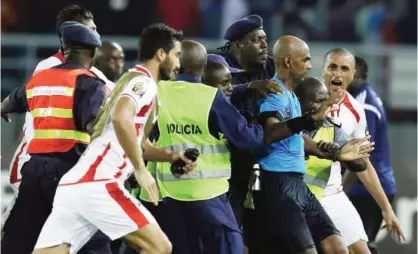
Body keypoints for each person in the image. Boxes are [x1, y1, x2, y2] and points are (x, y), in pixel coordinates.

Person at [32, 23, 186, 254]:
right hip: (99, 184)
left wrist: (171, 156)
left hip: (76, 185)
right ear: (161, 55)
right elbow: (121, 118)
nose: (179, 63)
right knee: (159, 247)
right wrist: (140, 170)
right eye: (176, 55)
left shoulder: (129, 81)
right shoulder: (143, 83)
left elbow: (136, 142)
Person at [253, 35, 375, 254]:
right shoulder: (276, 95)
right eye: (305, 60)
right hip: (278, 183)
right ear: (288, 62)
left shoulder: (291, 95)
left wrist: (336, 153)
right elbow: (270, 132)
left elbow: (298, 139)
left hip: (297, 184)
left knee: (337, 247)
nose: (310, 65)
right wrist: (310, 120)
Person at [1, 21, 107, 254]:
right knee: (92, 239)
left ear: (64, 48)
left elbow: (9, 103)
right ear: (92, 51)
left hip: (34, 171)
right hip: (69, 170)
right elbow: (92, 125)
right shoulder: (89, 82)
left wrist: (4, 110)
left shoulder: (39, 79)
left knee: (21, 236)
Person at [320, 50, 404, 252]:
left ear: (353, 74)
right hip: (301, 191)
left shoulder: (357, 110)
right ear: (323, 69)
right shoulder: (305, 96)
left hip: (333, 193)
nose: (337, 74)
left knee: (361, 250)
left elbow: (363, 162)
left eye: (344, 69)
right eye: (332, 67)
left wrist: (387, 209)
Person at [217, 14, 279, 229]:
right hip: (227, 166)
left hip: (265, 163)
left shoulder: (272, 67)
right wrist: (247, 88)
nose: (264, 45)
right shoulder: (217, 66)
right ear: (237, 44)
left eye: (265, 40)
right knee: (231, 226)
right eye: (256, 40)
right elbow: (207, 94)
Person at [345, 56, 397, 254]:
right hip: (371, 186)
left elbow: (360, 155)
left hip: (366, 189)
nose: (340, 77)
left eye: (346, 71)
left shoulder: (364, 106)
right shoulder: (364, 97)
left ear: (356, 75)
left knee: (358, 245)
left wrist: (341, 188)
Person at [295, 77, 371, 201]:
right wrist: (326, 152)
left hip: (313, 203)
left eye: (328, 101)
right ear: (298, 101)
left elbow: (360, 165)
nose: (327, 106)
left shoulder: (332, 128)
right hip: (282, 201)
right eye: (319, 101)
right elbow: (299, 143)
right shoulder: (286, 126)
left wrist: (348, 156)